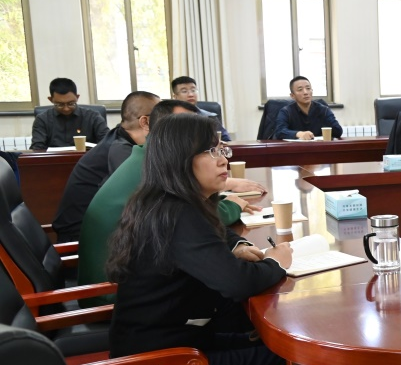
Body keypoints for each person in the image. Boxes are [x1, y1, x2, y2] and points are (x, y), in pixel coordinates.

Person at [106, 115, 316, 365]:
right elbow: (236, 282)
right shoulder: (178, 214)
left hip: (161, 351)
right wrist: (276, 262)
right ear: (179, 158)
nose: (223, 160)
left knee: (271, 344)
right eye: (210, 151)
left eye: (221, 149)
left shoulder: (165, 203)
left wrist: (234, 249)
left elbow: (212, 244)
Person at [77, 100, 266, 305]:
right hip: (111, 291)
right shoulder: (154, 172)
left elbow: (201, 217)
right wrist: (273, 260)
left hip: (142, 283)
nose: (193, 130)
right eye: (184, 124)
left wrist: (236, 244)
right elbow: (194, 222)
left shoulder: (152, 161)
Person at [51, 90, 160, 242]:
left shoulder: (120, 138)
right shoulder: (120, 149)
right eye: (162, 117)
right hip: (83, 237)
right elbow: (143, 198)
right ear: (145, 121)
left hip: (100, 230)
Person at [30, 77, 109, 151]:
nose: (66, 108)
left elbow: (108, 142)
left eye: (71, 103)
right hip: (54, 160)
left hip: (88, 159)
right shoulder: (42, 119)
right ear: (51, 99)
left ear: (77, 97)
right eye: (60, 104)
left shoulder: (93, 117)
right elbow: (37, 148)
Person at [274, 76, 343, 140]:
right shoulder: (286, 112)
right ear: (292, 95)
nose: (305, 92)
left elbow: (338, 131)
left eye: (308, 88)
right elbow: (279, 131)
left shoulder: (323, 110)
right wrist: (299, 134)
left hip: (318, 147)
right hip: (295, 148)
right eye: (300, 89)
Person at [171, 75, 230, 141]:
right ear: (175, 97)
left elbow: (226, 140)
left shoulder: (209, 117)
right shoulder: (169, 119)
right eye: (184, 91)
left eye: (193, 90)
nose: (191, 94)